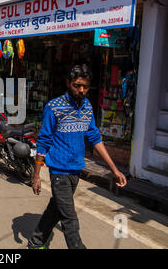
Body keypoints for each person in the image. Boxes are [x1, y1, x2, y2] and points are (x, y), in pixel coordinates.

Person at [27, 64, 127, 250]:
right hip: (59, 171)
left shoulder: (88, 106)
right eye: (76, 85)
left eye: (85, 86)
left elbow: (95, 138)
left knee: (56, 209)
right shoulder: (54, 107)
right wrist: (36, 176)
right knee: (70, 218)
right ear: (68, 83)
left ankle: (35, 242)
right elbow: (43, 141)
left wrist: (114, 169)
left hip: (76, 169)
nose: (81, 90)